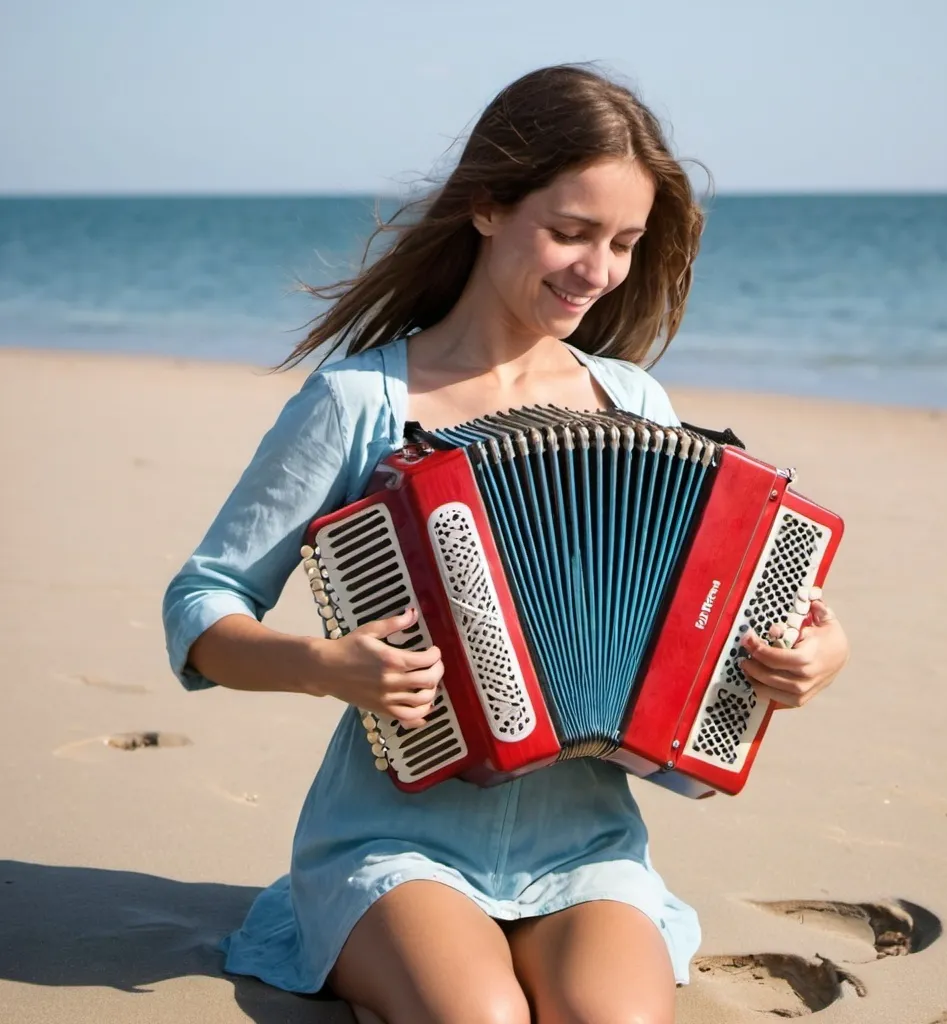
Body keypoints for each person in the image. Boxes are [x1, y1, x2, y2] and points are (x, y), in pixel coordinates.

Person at [162, 63, 850, 1024]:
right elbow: (201, 608)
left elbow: (723, 607)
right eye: (569, 232)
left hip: (586, 847)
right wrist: (327, 665)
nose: (598, 271)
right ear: (487, 206)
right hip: (393, 842)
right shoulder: (360, 402)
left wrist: (815, 649)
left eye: (623, 242)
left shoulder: (633, 405)